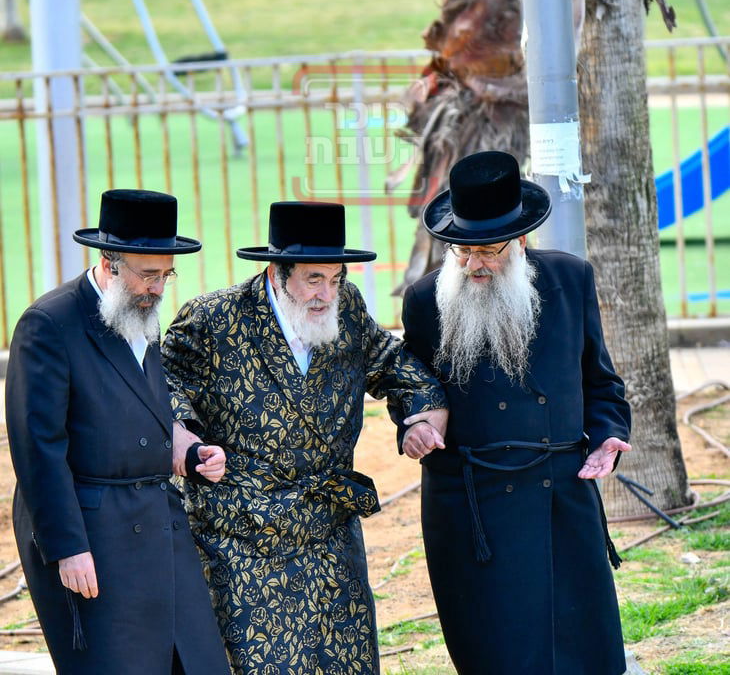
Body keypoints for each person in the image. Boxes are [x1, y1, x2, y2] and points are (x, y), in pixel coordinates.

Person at [161, 200, 448, 675]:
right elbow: (163, 385)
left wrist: (418, 417)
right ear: (277, 272)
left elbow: (394, 364)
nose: (327, 293)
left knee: (347, 663)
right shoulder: (214, 319)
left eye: (335, 278)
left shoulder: (347, 308)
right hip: (245, 537)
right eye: (314, 279)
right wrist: (187, 442)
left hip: (329, 531)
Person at [400, 151, 632, 675]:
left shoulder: (571, 280)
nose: (470, 263)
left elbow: (602, 384)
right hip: (473, 505)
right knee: (499, 654)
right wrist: (415, 421)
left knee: (582, 652)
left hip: (561, 498)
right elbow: (409, 386)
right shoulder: (423, 301)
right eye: (460, 249)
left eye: (486, 250)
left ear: (520, 240)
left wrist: (608, 436)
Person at [5, 189, 231, 675]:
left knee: (195, 661)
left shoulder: (135, 310)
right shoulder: (49, 324)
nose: (157, 288)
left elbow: (137, 412)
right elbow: (37, 448)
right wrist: (67, 548)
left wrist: (186, 455)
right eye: (147, 274)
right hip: (92, 536)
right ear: (109, 263)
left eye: (165, 275)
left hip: (156, 520)